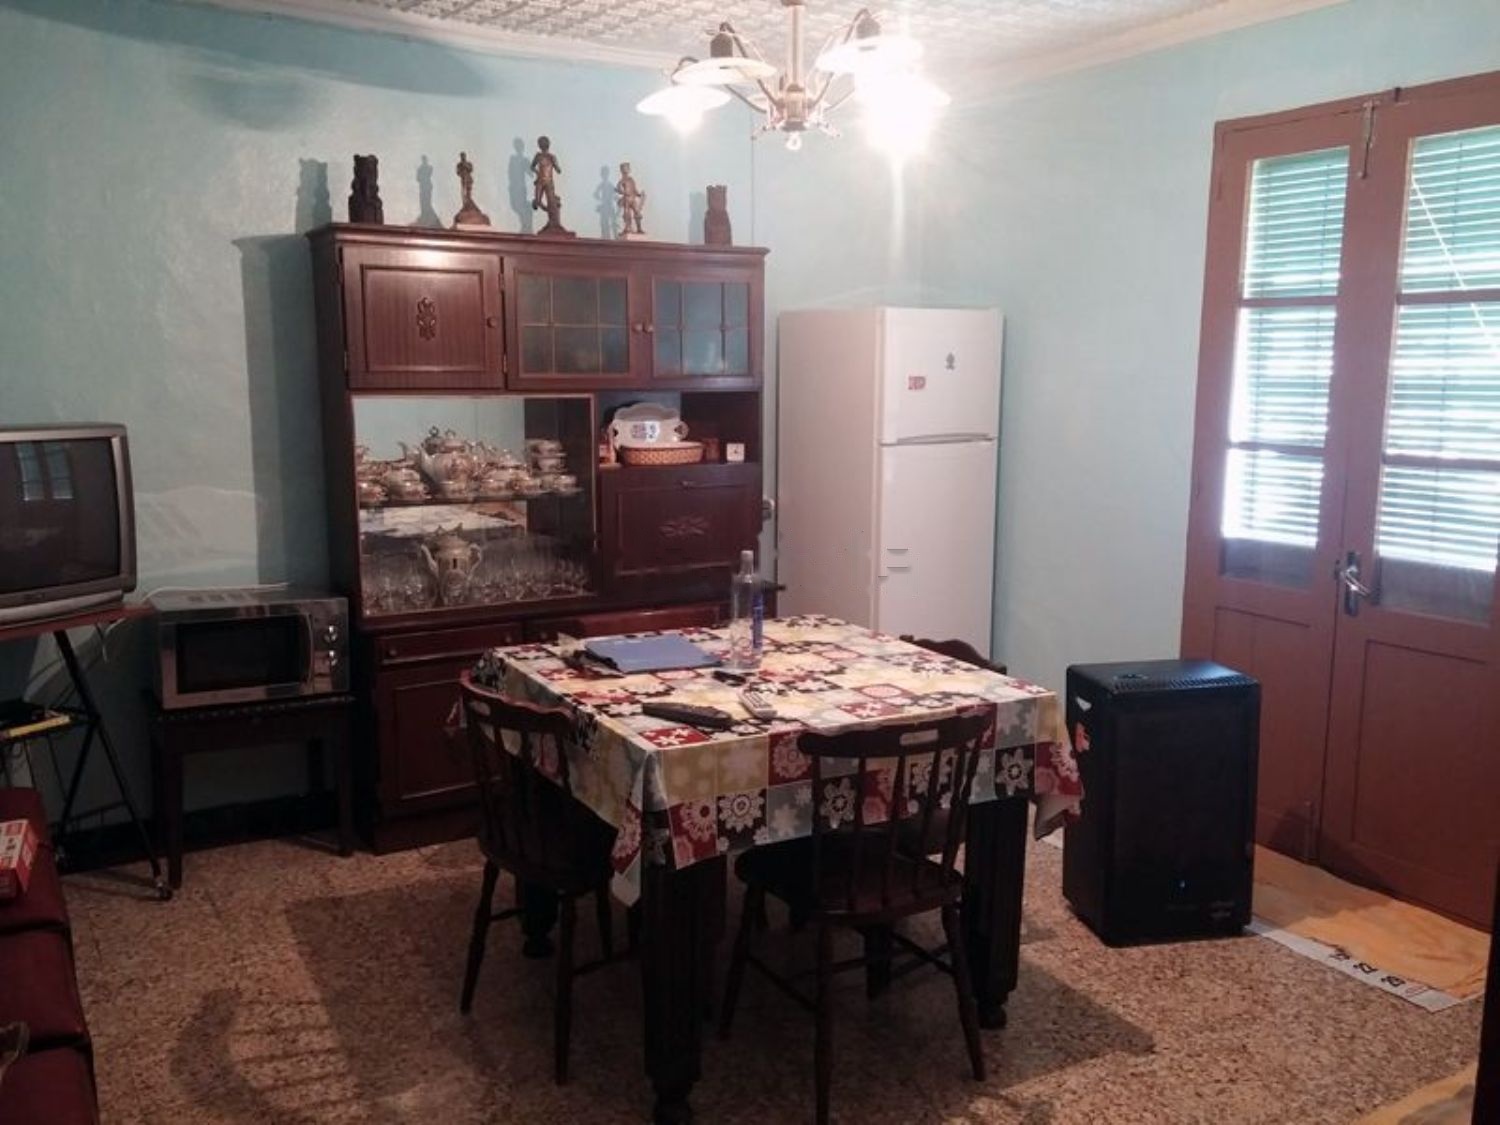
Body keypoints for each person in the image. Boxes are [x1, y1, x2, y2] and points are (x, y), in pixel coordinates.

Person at [531, 136, 560, 215]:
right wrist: (537, 172)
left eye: (544, 144)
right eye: (541, 144)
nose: (542, 146)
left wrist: (556, 165)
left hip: (549, 182)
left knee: (551, 202)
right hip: (540, 181)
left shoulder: (551, 156)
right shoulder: (538, 156)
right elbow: (532, 166)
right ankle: (541, 206)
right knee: (538, 201)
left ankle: (551, 213)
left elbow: (558, 170)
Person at [615, 161, 646, 236]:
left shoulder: (631, 179)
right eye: (624, 168)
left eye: (627, 168)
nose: (625, 170)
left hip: (633, 199)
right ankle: (627, 228)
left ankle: (639, 228)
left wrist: (639, 194)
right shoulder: (622, 181)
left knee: (637, 213)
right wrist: (623, 192)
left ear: (629, 169)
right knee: (627, 213)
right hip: (627, 199)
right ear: (621, 170)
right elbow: (618, 189)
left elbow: (634, 189)